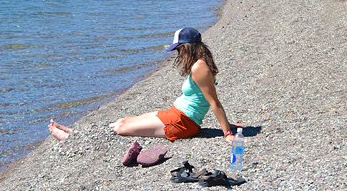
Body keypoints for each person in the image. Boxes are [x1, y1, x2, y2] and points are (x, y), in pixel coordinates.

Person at [48, 27, 237, 143]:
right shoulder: (200, 64)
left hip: (182, 123)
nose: (177, 54)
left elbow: (214, 102)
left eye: (179, 49)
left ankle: (71, 139)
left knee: (122, 129)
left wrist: (227, 132)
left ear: (187, 47)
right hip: (176, 114)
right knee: (123, 120)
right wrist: (228, 124)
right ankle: (76, 133)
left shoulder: (199, 67)